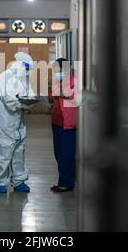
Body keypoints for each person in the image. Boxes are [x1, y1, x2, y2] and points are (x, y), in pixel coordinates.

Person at [0, 52, 36, 194]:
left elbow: (30, 94)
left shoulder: (23, 79)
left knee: (18, 151)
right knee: (2, 151)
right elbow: (10, 102)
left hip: (18, 122)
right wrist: (23, 105)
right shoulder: (5, 78)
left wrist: (31, 101)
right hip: (4, 121)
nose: (28, 72)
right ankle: (0, 182)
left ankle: (19, 181)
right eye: (27, 68)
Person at [49, 58, 77, 193]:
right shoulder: (57, 81)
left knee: (67, 154)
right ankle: (64, 180)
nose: (56, 72)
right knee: (59, 153)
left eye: (57, 69)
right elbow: (51, 97)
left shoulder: (73, 81)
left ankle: (66, 183)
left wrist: (59, 92)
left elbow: (75, 97)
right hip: (56, 122)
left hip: (68, 124)